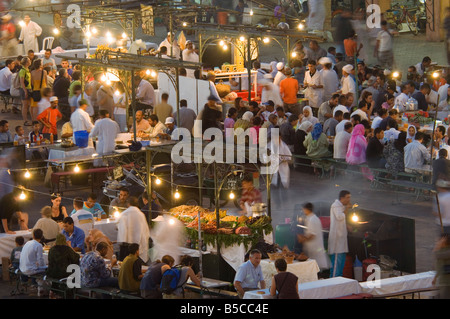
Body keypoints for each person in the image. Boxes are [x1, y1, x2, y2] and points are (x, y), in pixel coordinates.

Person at [297, 203, 330, 271]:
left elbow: (312, 235)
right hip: (311, 249)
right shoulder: (309, 218)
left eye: (303, 209)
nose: (303, 211)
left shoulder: (313, 219)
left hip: (315, 249)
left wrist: (302, 239)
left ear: (306, 209)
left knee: (315, 269)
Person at [117, 197, 151, 263]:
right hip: (137, 246)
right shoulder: (141, 215)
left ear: (128, 204)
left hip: (126, 245)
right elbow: (145, 231)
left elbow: (120, 227)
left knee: (125, 264)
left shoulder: (124, 213)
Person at [328, 190, 352, 277]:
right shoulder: (335, 205)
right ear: (342, 198)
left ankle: (339, 283)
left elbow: (341, 220)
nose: (349, 199)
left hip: (341, 239)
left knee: (341, 264)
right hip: (337, 240)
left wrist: (347, 225)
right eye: (347, 197)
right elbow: (340, 217)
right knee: (336, 265)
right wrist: (347, 208)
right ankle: (333, 283)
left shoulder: (341, 206)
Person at [432, 233, 450, 298]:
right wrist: (435, 277)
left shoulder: (446, 252)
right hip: (443, 282)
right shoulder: (443, 250)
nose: (437, 242)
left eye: (439, 241)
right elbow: (439, 266)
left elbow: (437, 254)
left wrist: (438, 246)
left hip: (447, 283)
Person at [18, 57, 32, 126]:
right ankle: (25, 120)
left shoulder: (27, 70)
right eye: (29, 60)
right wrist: (25, 91)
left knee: (28, 105)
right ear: (26, 62)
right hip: (24, 89)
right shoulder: (22, 71)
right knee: (25, 105)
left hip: (28, 89)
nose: (30, 61)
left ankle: (29, 120)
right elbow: (22, 82)